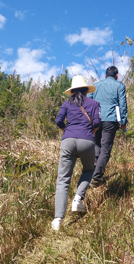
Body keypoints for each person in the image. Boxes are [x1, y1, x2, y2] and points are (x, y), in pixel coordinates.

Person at [52, 75, 101, 231]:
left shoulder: (67, 104)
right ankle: (77, 199)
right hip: (87, 140)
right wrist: (90, 132)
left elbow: (58, 120)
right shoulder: (94, 103)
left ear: (72, 91)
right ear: (86, 90)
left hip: (68, 141)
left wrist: (66, 131)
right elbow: (98, 123)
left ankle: (58, 219)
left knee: (63, 179)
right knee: (88, 170)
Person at [88, 66, 128, 186]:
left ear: (105, 76)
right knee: (106, 148)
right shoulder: (120, 86)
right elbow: (123, 105)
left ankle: (93, 170)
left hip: (96, 119)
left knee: (96, 144)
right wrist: (123, 122)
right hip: (110, 120)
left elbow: (88, 102)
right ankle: (96, 179)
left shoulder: (96, 86)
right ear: (117, 76)